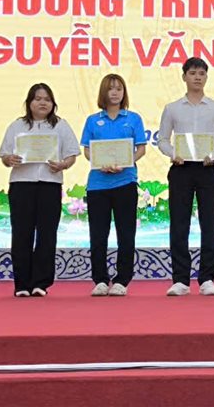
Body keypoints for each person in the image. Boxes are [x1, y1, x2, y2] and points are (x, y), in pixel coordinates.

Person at [157, 57, 214, 297]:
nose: (197, 77)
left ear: (206, 77)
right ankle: (180, 279)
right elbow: (162, 139)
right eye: (192, 73)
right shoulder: (172, 108)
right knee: (179, 225)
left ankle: (207, 278)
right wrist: (173, 154)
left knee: (209, 224)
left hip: (208, 169)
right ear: (184, 77)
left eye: (201, 73)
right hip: (181, 169)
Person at [0, 83, 80, 297]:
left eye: (47, 99)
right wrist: (9, 159)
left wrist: (63, 165)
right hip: (21, 184)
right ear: (29, 102)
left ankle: (40, 283)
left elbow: (71, 155)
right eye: (38, 98)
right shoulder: (17, 125)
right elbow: (4, 155)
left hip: (50, 184)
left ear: (53, 103)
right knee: (21, 233)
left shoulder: (61, 125)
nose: (43, 103)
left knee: (47, 234)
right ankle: (22, 284)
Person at [80, 74, 147, 297]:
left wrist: (127, 162)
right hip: (98, 185)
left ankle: (122, 280)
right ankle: (100, 279)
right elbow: (87, 150)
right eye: (111, 89)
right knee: (98, 235)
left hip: (125, 182)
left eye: (119, 88)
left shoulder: (133, 118)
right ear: (104, 92)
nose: (115, 92)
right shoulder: (92, 120)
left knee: (126, 234)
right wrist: (100, 163)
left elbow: (141, 149)